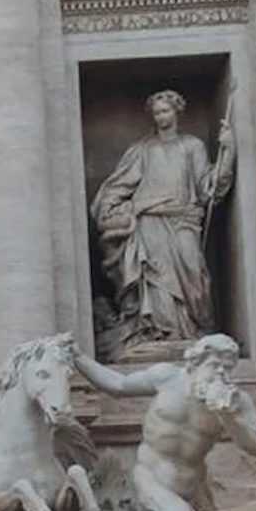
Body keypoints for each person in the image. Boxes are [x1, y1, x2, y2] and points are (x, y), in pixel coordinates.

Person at [73, 333, 256, 511]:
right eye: (214, 365)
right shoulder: (167, 377)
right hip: (152, 478)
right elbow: (118, 385)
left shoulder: (236, 401)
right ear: (196, 362)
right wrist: (78, 358)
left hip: (195, 487)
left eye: (227, 368)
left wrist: (231, 417)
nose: (220, 373)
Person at [90, 89, 234, 352]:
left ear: (177, 111)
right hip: (150, 223)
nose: (160, 116)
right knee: (156, 279)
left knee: (193, 273)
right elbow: (116, 189)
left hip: (184, 220)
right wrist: (128, 208)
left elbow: (208, 189)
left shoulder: (192, 146)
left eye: (165, 110)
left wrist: (228, 152)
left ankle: (191, 329)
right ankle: (160, 333)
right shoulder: (142, 150)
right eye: (156, 112)